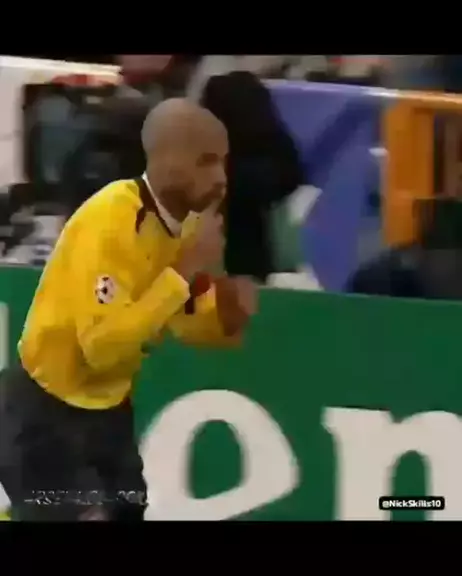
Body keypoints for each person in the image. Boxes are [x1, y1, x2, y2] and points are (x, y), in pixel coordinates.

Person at [0, 98, 257, 521]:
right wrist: (183, 272)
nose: (220, 179)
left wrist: (225, 315)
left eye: (222, 163)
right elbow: (100, 348)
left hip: (109, 415)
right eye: (206, 163)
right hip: (47, 411)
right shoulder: (112, 219)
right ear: (169, 161)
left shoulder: (189, 227)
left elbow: (184, 322)